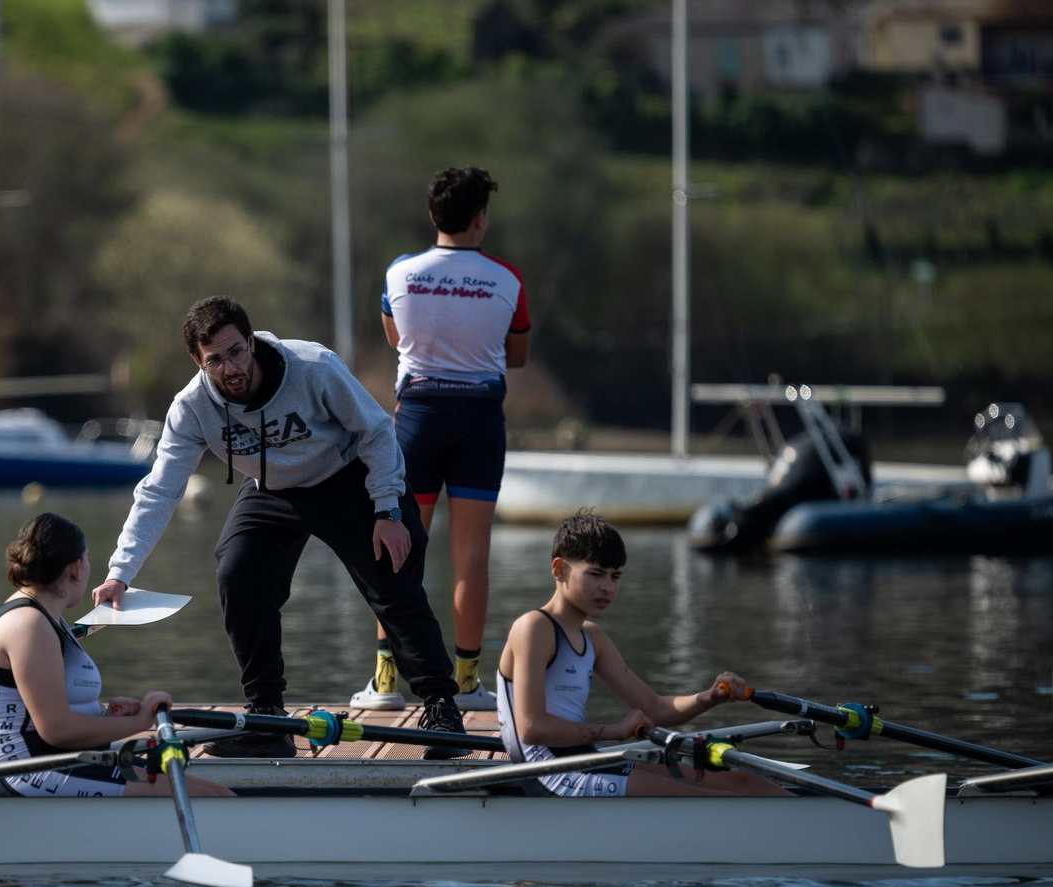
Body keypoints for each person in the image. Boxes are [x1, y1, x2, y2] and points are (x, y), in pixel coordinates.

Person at [92, 296, 471, 761]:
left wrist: (388, 511)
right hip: (271, 487)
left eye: (236, 352)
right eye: (215, 360)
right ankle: (267, 717)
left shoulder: (313, 366)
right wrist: (120, 572)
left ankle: (441, 707)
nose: (230, 368)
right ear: (197, 360)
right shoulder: (191, 408)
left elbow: (376, 431)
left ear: (251, 341)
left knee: (392, 576)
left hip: (348, 476)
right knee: (237, 571)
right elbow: (159, 491)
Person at [354, 166, 530, 715]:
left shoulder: (400, 272)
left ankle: (385, 682)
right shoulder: (507, 278)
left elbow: (395, 339)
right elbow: (517, 355)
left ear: (432, 214)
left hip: (418, 420)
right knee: (471, 558)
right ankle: (467, 682)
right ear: (481, 219)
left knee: (397, 550)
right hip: (480, 422)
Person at [495, 511, 789, 797]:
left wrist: (709, 697)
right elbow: (532, 728)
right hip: (551, 777)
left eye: (615, 576)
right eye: (596, 574)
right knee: (724, 799)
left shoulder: (592, 638)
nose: (608, 587)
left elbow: (656, 708)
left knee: (745, 783)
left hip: (585, 762)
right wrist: (614, 731)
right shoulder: (534, 628)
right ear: (559, 570)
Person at [0, 513, 233, 798]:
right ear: (76, 568)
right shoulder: (27, 625)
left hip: (53, 758)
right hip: (17, 769)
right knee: (208, 799)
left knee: (219, 794)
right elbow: (56, 729)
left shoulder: (45, 618)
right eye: (88, 559)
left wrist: (106, 715)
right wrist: (140, 721)